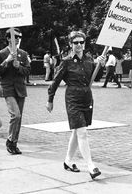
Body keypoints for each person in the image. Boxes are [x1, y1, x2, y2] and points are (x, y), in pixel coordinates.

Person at [46, 30, 104, 180]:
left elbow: (96, 77)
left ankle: (67, 161)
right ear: (71, 44)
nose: (79, 45)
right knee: (82, 132)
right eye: (75, 42)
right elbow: (56, 81)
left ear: (84, 44)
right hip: (73, 100)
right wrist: (50, 99)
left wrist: (101, 65)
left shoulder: (89, 59)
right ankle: (91, 166)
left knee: (76, 132)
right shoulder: (66, 61)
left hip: (87, 98)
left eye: (81, 42)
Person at [0, 27, 31, 154]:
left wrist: (19, 66)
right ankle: (10, 140)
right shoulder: (1, 54)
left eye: (19, 37)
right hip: (8, 88)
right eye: (15, 37)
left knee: (19, 118)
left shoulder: (24, 54)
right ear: (9, 38)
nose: (17, 39)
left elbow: (27, 71)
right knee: (16, 114)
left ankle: (14, 143)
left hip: (20, 89)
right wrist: (7, 61)